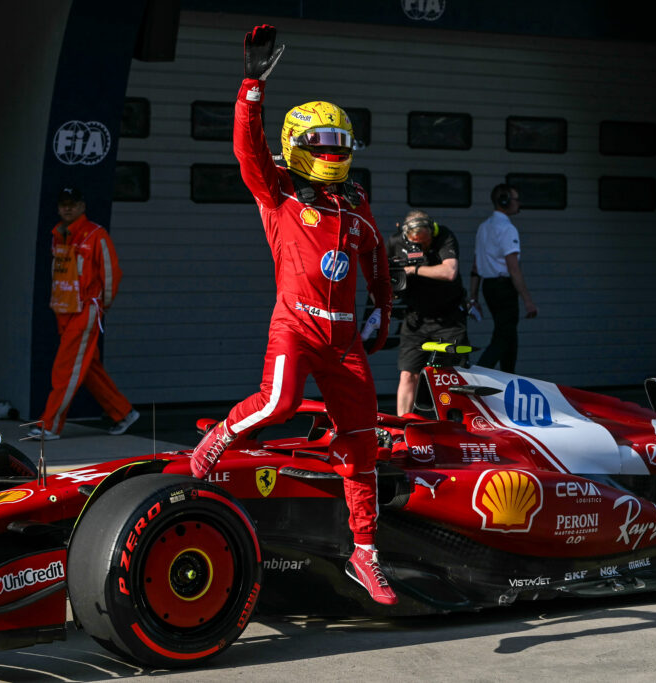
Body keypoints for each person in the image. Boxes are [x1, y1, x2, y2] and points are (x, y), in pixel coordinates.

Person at [189, 25, 397, 605]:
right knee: (277, 403)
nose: (332, 150)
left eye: (340, 140)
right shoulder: (276, 191)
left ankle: (365, 553)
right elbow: (247, 150)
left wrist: (383, 306)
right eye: (321, 141)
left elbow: (376, 256)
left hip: (345, 342)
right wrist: (251, 87)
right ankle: (220, 436)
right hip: (296, 326)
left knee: (362, 442)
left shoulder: (354, 203)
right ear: (298, 144)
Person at [29, 186, 139, 440]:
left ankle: (50, 425)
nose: (68, 208)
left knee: (65, 368)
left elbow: (111, 274)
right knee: (87, 368)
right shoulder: (58, 234)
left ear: (82, 206)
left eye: (73, 203)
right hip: (63, 310)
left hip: (86, 309)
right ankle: (123, 412)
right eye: (63, 204)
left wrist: (101, 306)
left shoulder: (96, 235)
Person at [388, 210, 470, 416]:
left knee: (451, 373)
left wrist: (413, 270)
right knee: (408, 374)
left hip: (449, 318)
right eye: (417, 244)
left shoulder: (444, 236)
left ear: (432, 232)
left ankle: (455, 423)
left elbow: (450, 272)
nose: (422, 247)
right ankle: (402, 424)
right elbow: (383, 275)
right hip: (416, 317)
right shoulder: (396, 242)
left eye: (425, 243)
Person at [470, 184, 538, 372]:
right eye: (516, 199)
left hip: (489, 287)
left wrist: (473, 296)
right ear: (505, 201)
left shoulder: (483, 227)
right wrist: (528, 301)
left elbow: (475, 266)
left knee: (509, 335)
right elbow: (513, 268)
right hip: (504, 287)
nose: (519, 203)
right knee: (503, 337)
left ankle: (509, 377)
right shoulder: (507, 229)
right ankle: (479, 375)